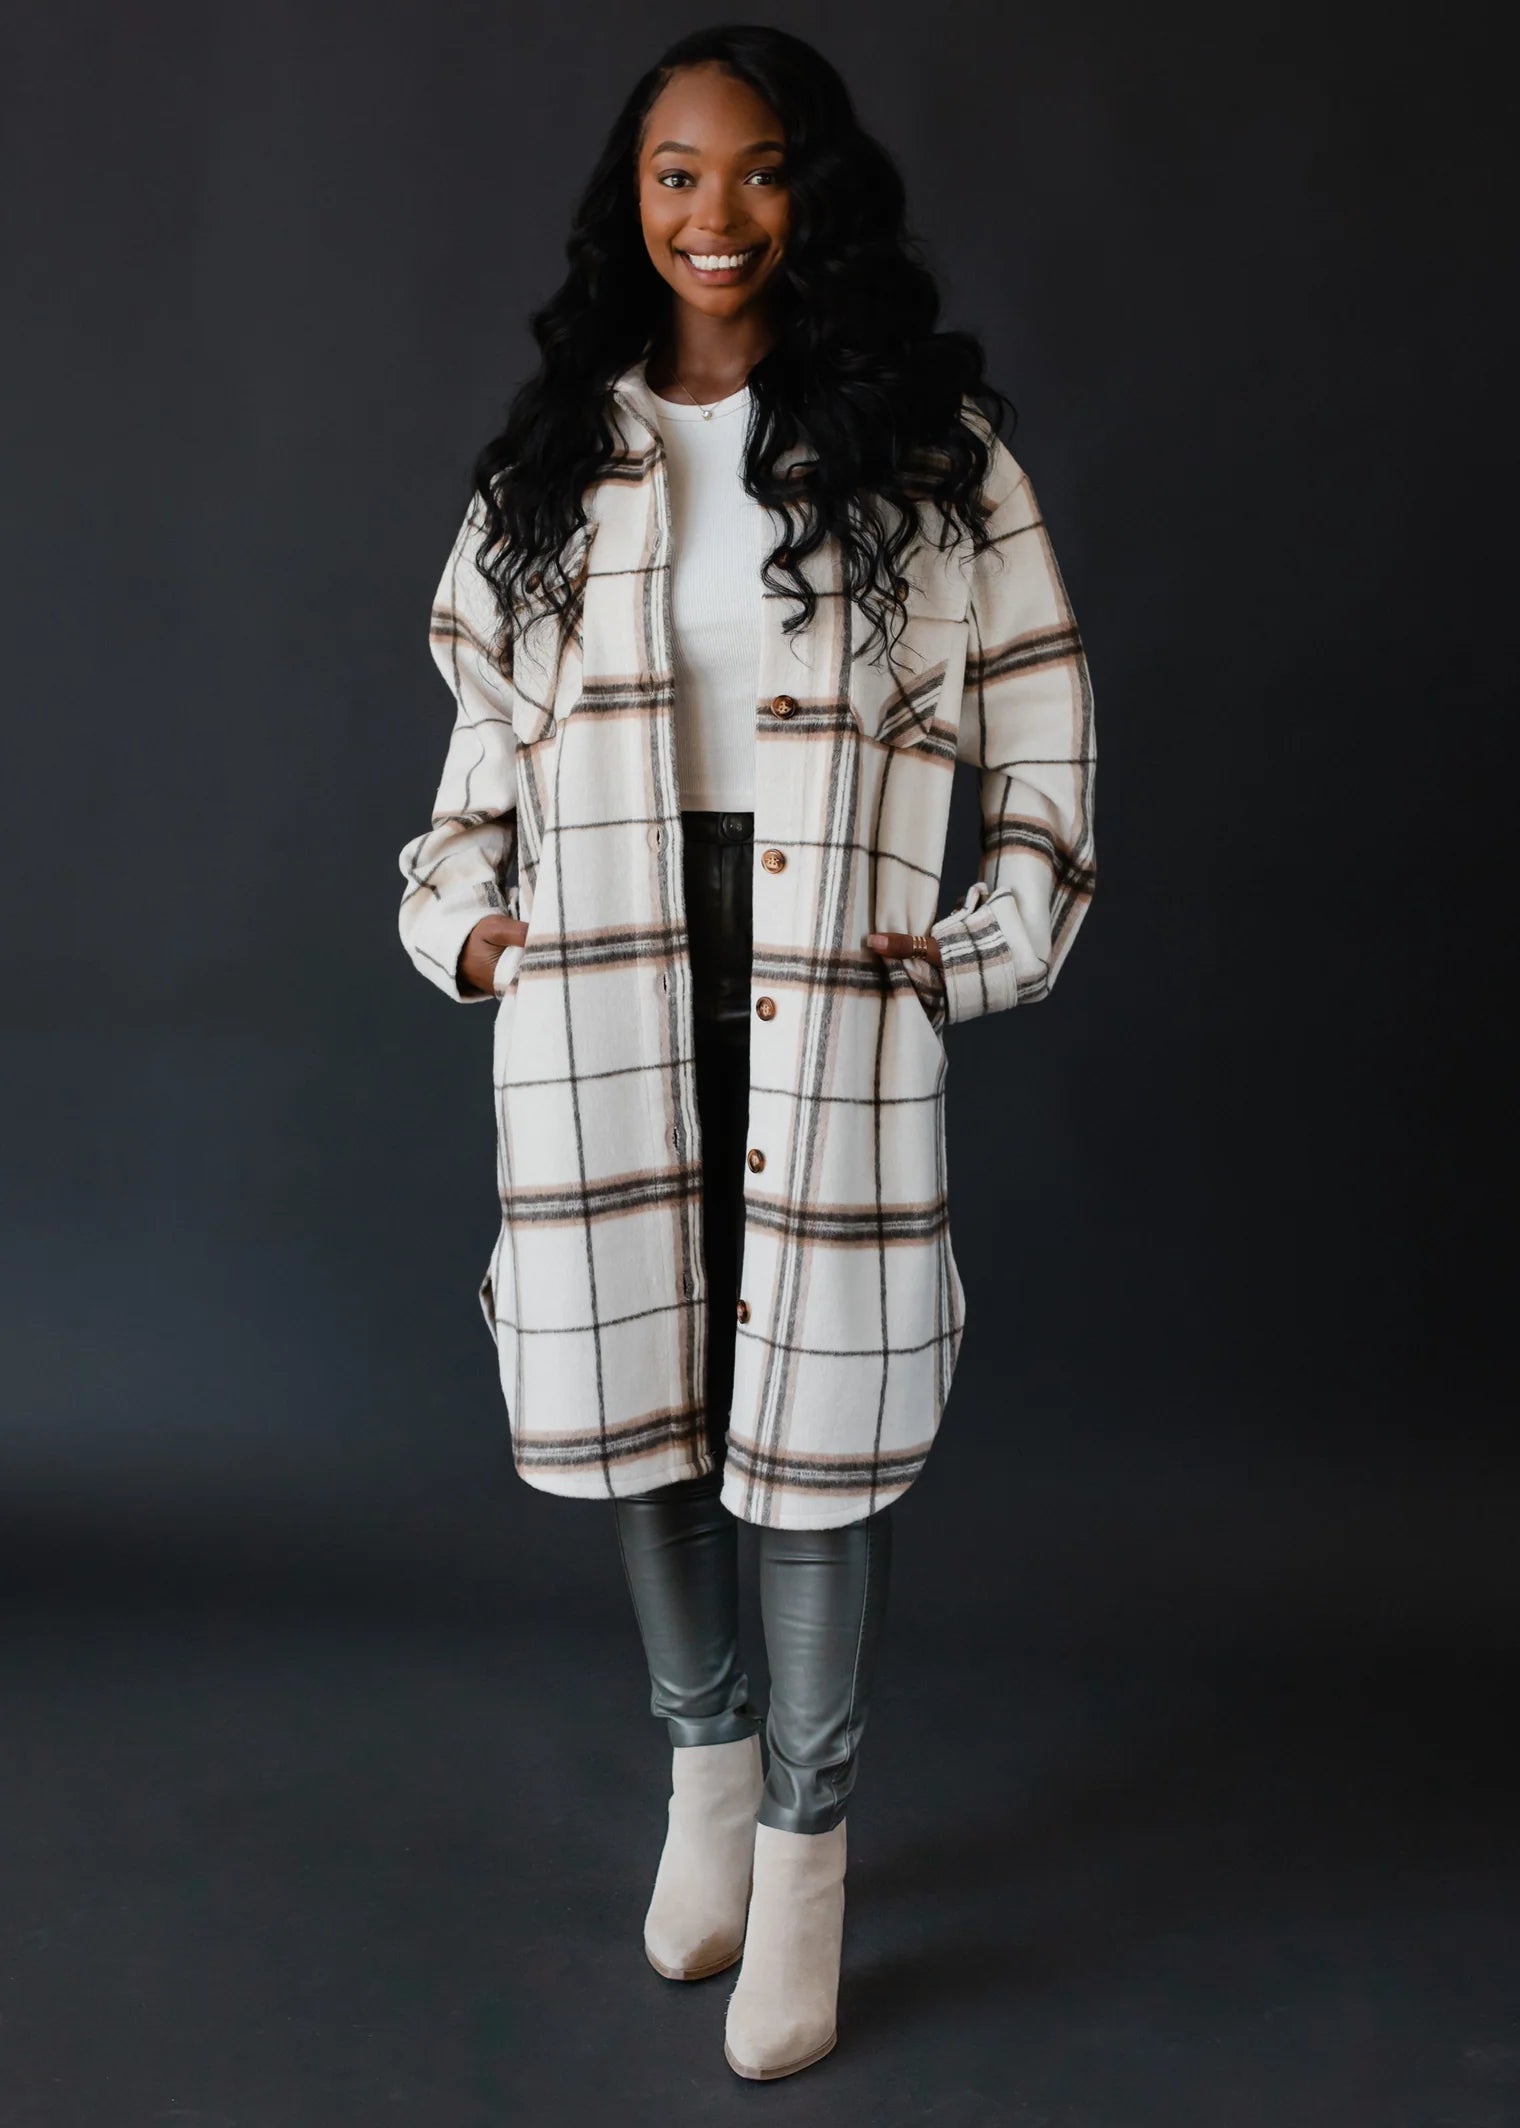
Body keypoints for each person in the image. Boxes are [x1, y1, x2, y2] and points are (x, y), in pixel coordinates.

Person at [397, 23, 1096, 2081]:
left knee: (816, 1427)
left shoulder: (931, 452)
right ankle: (705, 1778)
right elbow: (467, 769)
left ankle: (805, 1846)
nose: (717, 215)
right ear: (631, 201)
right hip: (606, 981)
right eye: (677, 174)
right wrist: (475, 928)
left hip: (826, 973)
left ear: (818, 191)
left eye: (759, 169)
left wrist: (970, 950)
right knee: (650, 1404)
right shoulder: (549, 467)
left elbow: (1045, 742)